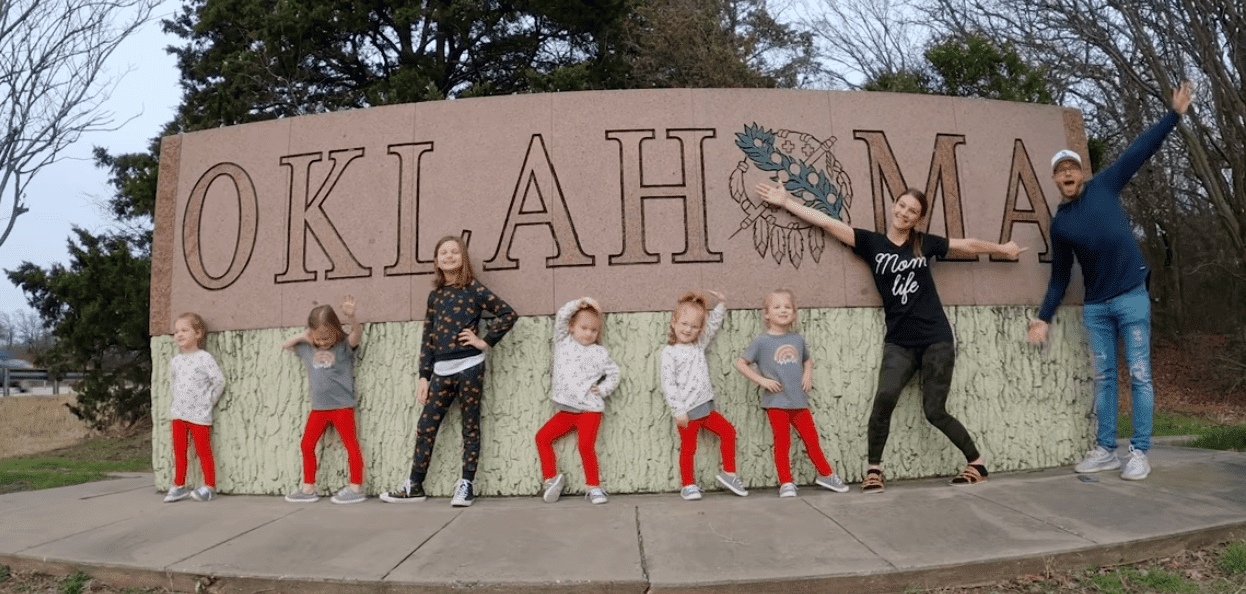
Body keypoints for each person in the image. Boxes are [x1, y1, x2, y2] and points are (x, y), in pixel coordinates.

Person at [756, 183, 1024, 493]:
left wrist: (1003, 248)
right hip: (899, 341)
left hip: (936, 338)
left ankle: (976, 462)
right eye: (902, 205)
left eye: (913, 211)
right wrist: (788, 201)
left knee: (934, 410)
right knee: (884, 399)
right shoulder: (872, 243)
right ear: (894, 206)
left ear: (918, 219)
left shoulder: (925, 244)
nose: (904, 212)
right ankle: (874, 470)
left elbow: (969, 245)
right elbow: (829, 223)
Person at [1029, 81, 1194, 481]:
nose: (1067, 174)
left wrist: (1173, 115)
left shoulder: (1105, 185)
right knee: (1104, 377)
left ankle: (1139, 451)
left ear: (1081, 173)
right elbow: (1061, 277)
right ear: (1055, 182)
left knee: (1139, 374)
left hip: (1132, 296)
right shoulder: (1062, 224)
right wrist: (1042, 317)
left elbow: (1139, 151)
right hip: (1096, 307)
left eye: (1071, 167)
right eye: (1059, 171)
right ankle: (1105, 449)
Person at [382, 235, 517, 507]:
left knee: (470, 426)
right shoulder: (435, 296)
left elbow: (507, 314)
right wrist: (424, 375)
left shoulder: (474, 290)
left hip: (470, 367)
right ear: (436, 261)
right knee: (426, 425)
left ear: (463, 258)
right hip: (441, 371)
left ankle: (466, 483)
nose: (449, 255)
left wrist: (484, 342)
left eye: (454, 251)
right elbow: (428, 337)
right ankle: (415, 484)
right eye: (443, 252)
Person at [735, 289, 849, 497]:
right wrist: (762, 380)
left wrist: (808, 373)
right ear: (767, 314)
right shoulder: (762, 341)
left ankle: (825, 474)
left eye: (788, 307)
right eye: (777, 307)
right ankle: (786, 481)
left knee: (811, 440)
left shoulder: (797, 339)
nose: (783, 310)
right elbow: (741, 363)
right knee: (782, 442)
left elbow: (807, 359)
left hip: (799, 401)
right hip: (776, 402)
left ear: (794, 314)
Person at [660, 290, 749, 500]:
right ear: (674, 322)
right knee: (689, 448)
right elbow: (669, 385)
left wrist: (721, 304)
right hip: (687, 413)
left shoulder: (698, 346)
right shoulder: (669, 353)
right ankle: (688, 485)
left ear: (699, 329)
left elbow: (712, 327)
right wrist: (679, 411)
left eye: (694, 326)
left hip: (706, 409)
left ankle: (729, 473)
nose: (688, 329)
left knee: (728, 432)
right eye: (684, 324)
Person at [281, 295, 366, 504]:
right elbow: (286, 345)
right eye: (318, 338)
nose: (323, 342)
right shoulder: (308, 348)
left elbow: (357, 333)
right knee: (306, 445)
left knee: (351, 445)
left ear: (336, 331)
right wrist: (304, 336)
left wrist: (352, 317)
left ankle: (356, 487)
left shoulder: (343, 346)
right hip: (318, 409)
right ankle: (308, 488)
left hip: (342, 407)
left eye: (327, 338)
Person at [537, 297, 620, 505]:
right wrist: (582, 302)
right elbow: (562, 314)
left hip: (590, 411)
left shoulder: (600, 353)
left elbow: (614, 373)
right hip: (566, 411)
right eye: (583, 328)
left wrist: (602, 389)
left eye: (594, 330)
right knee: (542, 438)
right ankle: (551, 478)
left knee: (585, 446)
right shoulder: (563, 342)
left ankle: (594, 487)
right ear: (571, 328)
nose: (588, 333)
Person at [165, 312, 226, 503]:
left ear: (198, 334)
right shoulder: (176, 361)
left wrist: (208, 402)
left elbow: (219, 381)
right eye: (176, 331)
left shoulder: (204, 358)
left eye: (185, 330)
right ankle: (179, 485)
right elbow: (173, 383)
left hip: (199, 415)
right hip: (179, 414)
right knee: (180, 451)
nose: (179, 335)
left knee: (203, 451)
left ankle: (209, 486)